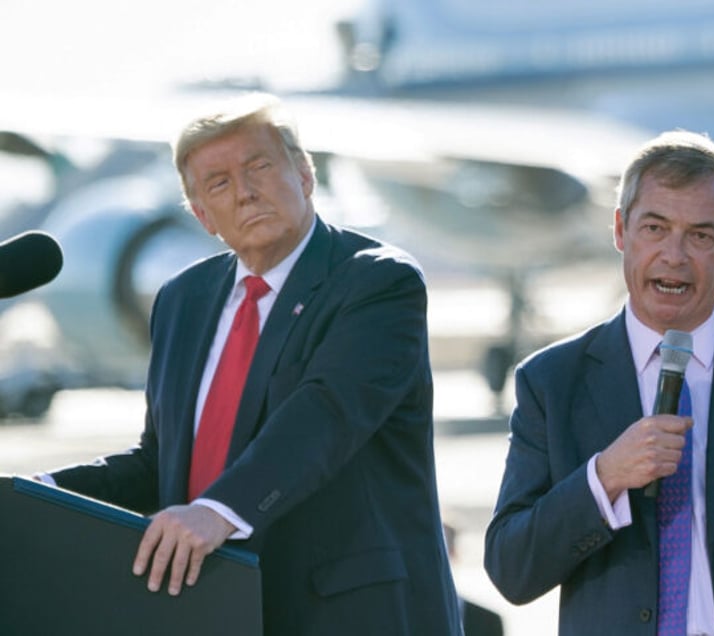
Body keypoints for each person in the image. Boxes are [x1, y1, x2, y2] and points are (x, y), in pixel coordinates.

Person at [43, 92, 463, 636]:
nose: (245, 192)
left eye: (260, 166)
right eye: (219, 183)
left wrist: (217, 510)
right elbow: (161, 461)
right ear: (201, 216)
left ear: (305, 174)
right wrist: (39, 490)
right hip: (218, 608)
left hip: (349, 612)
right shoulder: (183, 298)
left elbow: (327, 414)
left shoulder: (377, 281)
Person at [484, 129, 714, 635]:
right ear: (620, 230)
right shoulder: (552, 382)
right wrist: (604, 477)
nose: (674, 255)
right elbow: (511, 570)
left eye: (700, 235)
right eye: (655, 228)